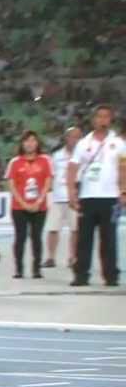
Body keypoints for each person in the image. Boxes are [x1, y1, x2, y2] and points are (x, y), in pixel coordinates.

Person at [67, 104, 124, 287]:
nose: (102, 120)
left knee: (109, 239)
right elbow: (73, 168)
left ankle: (111, 276)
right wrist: (71, 194)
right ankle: (81, 275)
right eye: (99, 117)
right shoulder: (84, 143)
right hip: (88, 196)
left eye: (106, 117)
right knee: (84, 238)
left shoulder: (119, 143)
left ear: (110, 119)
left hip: (111, 198)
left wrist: (123, 191)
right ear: (93, 120)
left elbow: (124, 169)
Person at [5, 130, 53, 279]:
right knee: (20, 237)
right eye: (27, 141)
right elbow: (11, 184)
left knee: (36, 237)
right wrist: (23, 203)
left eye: (33, 140)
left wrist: (39, 201)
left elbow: (48, 181)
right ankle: (19, 269)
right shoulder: (15, 162)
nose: (30, 143)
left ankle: (36, 269)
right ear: (22, 143)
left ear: (37, 143)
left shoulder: (45, 160)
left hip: (40, 206)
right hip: (19, 207)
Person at [46, 126, 83, 269]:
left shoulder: (83, 155)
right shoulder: (57, 155)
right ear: (66, 138)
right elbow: (52, 175)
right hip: (58, 197)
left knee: (75, 230)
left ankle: (73, 257)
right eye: (72, 136)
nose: (75, 139)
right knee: (53, 229)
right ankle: (50, 257)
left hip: (75, 197)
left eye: (78, 137)